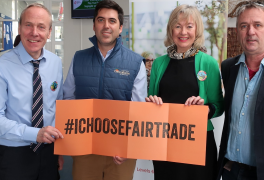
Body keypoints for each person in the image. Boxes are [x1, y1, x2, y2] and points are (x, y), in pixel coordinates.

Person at [63, 0, 147, 180]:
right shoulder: (79, 58)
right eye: (101, 20)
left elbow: (139, 110)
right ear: (94, 25)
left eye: (112, 21)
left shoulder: (135, 62)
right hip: (85, 149)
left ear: (120, 27)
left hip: (120, 153)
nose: (106, 26)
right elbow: (67, 99)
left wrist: (130, 147)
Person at [146, 4, 224, 180]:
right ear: (171, 29)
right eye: (178, 26)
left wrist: (204, 108)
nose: (183, 32)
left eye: (189, 26)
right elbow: (151, 101)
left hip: (199, 144)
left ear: (196, 30)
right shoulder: (158, 64)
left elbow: (218, 106)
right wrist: (152, 104)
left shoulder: (209, 63)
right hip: (165, 143)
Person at [217, 1, 264, 180]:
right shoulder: (228, 67)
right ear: (237, 31)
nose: (250, 32)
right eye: (244, 26)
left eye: (257, 25)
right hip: (231, 171)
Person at [0, 3, 64, 180]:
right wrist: (35, 134)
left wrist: (60, 150)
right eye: (28, 25)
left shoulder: (55, 63)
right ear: (20, 28)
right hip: (14, 153)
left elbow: (59, 107)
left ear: (49, 32)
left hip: (49, 151)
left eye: (41, 27)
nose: (34, 32)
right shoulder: (2, 66)